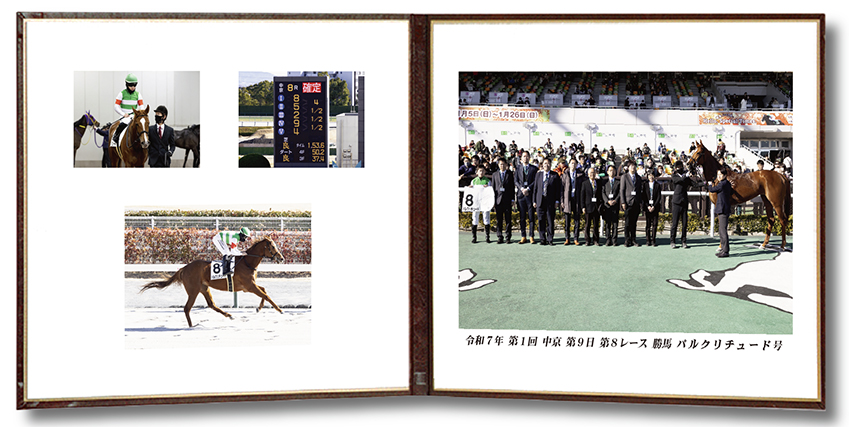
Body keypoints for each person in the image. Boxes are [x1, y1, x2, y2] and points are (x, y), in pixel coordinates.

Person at [533, 157, 561, 246]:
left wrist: (557, 201)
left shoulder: (555, 175)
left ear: (550, 165)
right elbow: (535, 188)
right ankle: (542, 239)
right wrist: (534, 201)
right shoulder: (538, 175)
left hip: (550, 201)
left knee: (550, 220)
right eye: (545, 163)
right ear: (542, 165)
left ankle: (550, 239)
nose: (546, 165)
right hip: (540, 201)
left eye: (548, 163)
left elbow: (558, 190)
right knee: (541, 220)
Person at [112, 73, 145, 146]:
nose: (133, 87)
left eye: (134, 85)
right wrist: (123, 114)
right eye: (131, 86)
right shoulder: (122, 93)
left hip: (134, 116)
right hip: (125, 117)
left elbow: (141, 106)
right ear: (127, 85)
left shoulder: (138, 94)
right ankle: (114, 139)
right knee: (121, 125)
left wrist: (140, 113)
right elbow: (116, 106)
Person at [669, 160, 696, 249]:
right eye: (678, 167)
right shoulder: (674, 176)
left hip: (684, 201)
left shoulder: (686, 177)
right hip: (676, 202)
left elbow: (694, 184)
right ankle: (672, 241)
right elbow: (679, 180)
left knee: (685, 223)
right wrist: (686, 175)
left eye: (680, 167)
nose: (679, 168)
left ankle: (684, 241)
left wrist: (704, 183)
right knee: (675, 223)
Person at [514, 151, 538, 244]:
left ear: (529, 157)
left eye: (527, 156)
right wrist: (522, 188)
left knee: (531, 217)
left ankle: (531, 236)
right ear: (521, 158)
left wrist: (528, 188)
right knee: (522, 217)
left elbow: (535, 181)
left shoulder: (534, 168)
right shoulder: (518, 168)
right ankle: (523, 236)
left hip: (530, 195)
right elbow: (516, 181)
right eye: (524, 156)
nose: (525, 158)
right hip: (521, 195)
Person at [709, 168, 733, 258]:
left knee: (722, 231)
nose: (718, 176)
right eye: (718, 174)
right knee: (721, 230)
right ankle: (723, 249)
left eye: (720, 175)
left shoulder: (722, 184)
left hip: (723, 209)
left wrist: (708, 184)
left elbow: (712, 189)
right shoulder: (727, 183)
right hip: (724, 208)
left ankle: (725, 251)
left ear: (725, 175)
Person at [560, 158, 584, 245]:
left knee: (577, 221)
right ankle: (567, 238)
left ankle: (576, 238)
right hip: (567, 199)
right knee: (567, 221)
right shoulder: (565, 174)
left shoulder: (580, 175)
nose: (573, 165)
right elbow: (562, 189)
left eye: (574, 163)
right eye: (572, 163)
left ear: (577, 165)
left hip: (577, 199)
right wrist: (562, 201)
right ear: (569, 164)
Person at [491, 157, 515, 244]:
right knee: (499, 220)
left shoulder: (510, 174)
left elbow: (512, 187)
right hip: (498, 200)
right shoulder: (494, 175)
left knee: (508, 220)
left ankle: (508, 237)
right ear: (498, 165)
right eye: (501, 164)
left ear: (506, 165)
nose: (502, 166)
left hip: (507, 200)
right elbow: (493, 188)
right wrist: (493, 201)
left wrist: (513, 199)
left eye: (504, 164)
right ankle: (500, 236)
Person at [619, 161, 642, 247]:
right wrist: (623, 202)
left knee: (634, 222)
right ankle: (627, 240)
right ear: (628, 167)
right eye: (631, 166)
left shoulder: (638, 178)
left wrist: (640, 202)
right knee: (627, 223)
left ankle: (633, 239)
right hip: (628, 203)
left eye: (634, 166)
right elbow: (622, 190)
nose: (633, 167)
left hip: (636, 202)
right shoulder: (624, 177)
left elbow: (639, 191)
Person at [468, 165, 492, 243]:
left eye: (483, 171)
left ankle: (487, 237)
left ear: (485, 172)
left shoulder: (488, 181)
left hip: (485, 203)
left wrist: (488, 188)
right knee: (475, 218)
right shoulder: (473, 181)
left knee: (486, 218)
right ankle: (474, 237)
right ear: (477, 172)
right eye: (480, 171)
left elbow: (490, 192)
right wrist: (470, 188)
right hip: (476, 203)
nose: (481, 172)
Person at [581, 166, 603, 246]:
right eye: (590, 173)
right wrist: (583, 206)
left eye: (593, 172)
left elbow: (600, 194)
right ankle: (587, 240)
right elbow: (582, 196)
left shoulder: (599, 183)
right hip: (588, 206)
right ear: (588, 174)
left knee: (596, 224)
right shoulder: (585, 183)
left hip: (596, 207)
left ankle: (596, 240)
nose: (592, 174)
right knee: (587, 224)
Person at [602, 165, 620, 246]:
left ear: (615, 172)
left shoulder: (618, 182)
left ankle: (614, 240)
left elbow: (619, 193)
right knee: (608, 224)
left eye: (613, 170)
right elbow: (603, 193)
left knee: (615, 224)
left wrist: (615, 200)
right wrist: (607, 201)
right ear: (607, 172)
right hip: (607, 206)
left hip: (615, 205)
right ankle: (608, 239)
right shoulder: (604, 182)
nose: (611, 172)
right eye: (610, 170)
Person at [642, 171, 662, 247]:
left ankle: (653, 240)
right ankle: (648, 240)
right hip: (647, 207)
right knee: (648, 224)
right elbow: (643, 196)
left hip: (655, 207)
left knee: (655, 224)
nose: (651, 177)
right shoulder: (645, 185)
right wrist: (648, 206)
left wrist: (654, 206)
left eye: (652, 175)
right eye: (649, 175)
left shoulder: (657, 185)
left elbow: (659, 197)